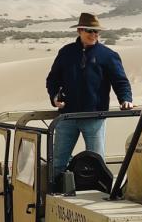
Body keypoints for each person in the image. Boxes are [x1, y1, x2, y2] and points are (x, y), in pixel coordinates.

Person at [45, 13, 133, 183]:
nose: (94, 35)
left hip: (95, 117)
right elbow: (53, 79)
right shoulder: (66, 52)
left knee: (96, 161)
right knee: (57, 162)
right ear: (79, 30)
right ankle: (54, 193)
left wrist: (125, 99)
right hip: (67, 116)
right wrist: (54, 97)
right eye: (90, 31)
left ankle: (99, 194)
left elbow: (120, 81)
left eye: (96, 32)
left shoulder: (108, 55)